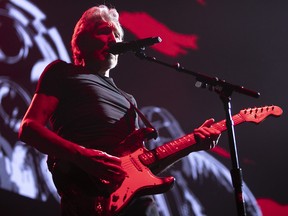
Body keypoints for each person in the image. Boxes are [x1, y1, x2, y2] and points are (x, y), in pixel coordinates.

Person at [18, 4, 221, 216]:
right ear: (82, 40)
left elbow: (140, 167)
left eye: (117, 34)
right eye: (105, 31)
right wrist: (83, 157)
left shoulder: (129, 100)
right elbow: (29, 128)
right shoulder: (63, 73)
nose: (114, 40)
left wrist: (192, 145)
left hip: (139, 205)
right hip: (86, 195)